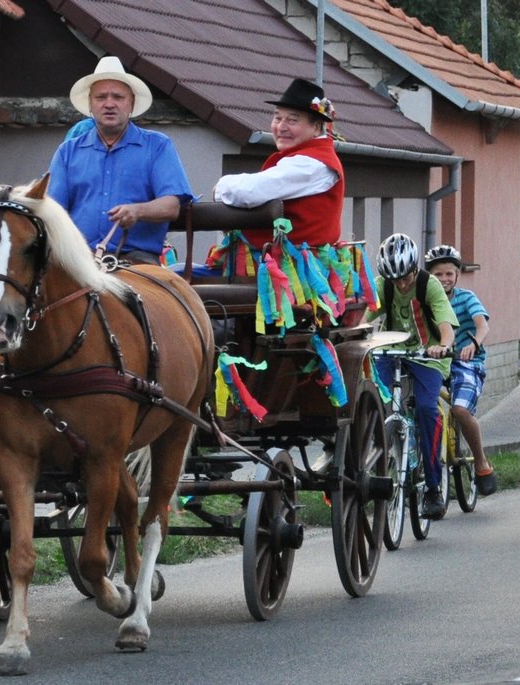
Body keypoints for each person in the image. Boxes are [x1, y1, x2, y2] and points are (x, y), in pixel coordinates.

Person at [46, 56, 194, 264]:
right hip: (78, 261)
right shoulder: (67, 152)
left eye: (118, 97)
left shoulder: (158, 146)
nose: (109, 104)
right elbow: (52, 209)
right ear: (90, 104)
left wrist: (138, 211)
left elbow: (171, 206)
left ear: (131, 103)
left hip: (138, 260)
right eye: (101, 97)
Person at [368, 233, 458, 519]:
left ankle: (433, 488)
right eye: (395, 280)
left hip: (428, 355)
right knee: (373, 399)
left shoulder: (429, 285)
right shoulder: (383, 285)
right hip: (391, 352)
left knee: (427, 410)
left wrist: (443, 346)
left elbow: (446, 327)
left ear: (415, 269)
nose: (402, 285)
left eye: (406, 278)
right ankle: (377, 459)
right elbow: (364, 316)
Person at [214, 78, 345, 248]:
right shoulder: (309, 157)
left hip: (291, 262)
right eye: (277, 118)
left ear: (316, 127)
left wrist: (221, 187)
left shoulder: (312, 164)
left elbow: (250, 192)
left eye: (292, 120)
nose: (281, 127)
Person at [423, 244, 497, 496]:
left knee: (460, 410)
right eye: (438, 274)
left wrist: (473, 345)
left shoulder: (466, 298)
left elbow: (482, 326)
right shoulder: (424, 299)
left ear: (457, 274)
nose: (444, 279)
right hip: (435, 361)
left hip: (466, 361)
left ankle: (481, 463)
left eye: (449, 273)